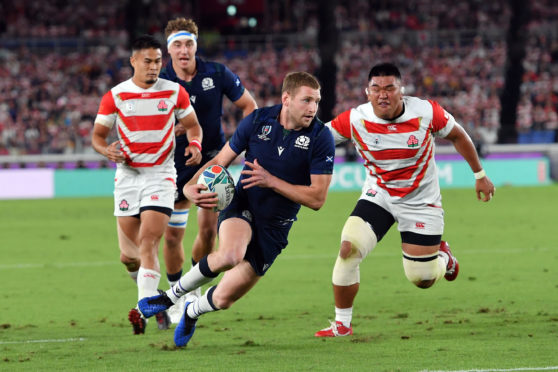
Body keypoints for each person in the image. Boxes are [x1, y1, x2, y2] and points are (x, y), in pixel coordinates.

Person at [137, 71, 335, 347]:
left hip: (275, 227)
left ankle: (192, 312)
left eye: (316, 101)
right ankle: (169, 297)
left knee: (223, 299)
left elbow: (317, 199)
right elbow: (221, 160)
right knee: (230, 255)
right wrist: (189, 186)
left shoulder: (320, 136)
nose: (313, 108)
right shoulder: (257, 121)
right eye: (307, 100)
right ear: (286, 99)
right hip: (242, 204)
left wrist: (272, 181)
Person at [314, 62, 496, 337]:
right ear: (367, 92)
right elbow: (317, 140)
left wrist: (480, 174)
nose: (383, 94)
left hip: (421, 202)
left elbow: (458, 135)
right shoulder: (355, 119)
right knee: (348, 249)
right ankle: (342, 324)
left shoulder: (426, 112)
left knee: (422, 279)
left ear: (402, 91)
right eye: (376, 88)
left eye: (389, 88)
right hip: (380, 195)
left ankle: (444, 257)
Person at [91, 35, 203, 335]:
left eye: (157, 61)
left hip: (161, 175)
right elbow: (97, 137)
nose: (154, 67)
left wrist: (194, 144)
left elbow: (193, 126)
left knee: (149, 241)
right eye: (147, 61)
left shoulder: (174, 92)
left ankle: (146, 309)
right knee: (129, 257)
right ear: (133, 61)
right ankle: (154, 299)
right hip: (128, 177)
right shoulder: (115, 96)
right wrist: (106, 151)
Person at [160, 17, 258, 322]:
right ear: (170, 49)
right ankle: (176, 290)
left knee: (206, 230)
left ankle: (192, 288)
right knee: (173, 237)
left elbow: (250, 106)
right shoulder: (160, 81)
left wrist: (237, 143)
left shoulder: (216, 72)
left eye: (189, 43)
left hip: (212, 160)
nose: (184, 49)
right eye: (177, 44)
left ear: (195, 45)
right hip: (173, 164)